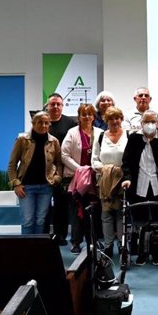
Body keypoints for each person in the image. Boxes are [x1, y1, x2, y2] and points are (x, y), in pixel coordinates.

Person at [121, 110, 158, 266]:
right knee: (141, 220)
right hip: (139, 184)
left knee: (157, 220)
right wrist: (127, 179)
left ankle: (156, 252)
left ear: (157, 122)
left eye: (153, 122)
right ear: (141, 123)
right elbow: (126, 162)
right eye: (147, 122)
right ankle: (141, 252)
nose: (150, 125)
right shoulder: (134, 138)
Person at [8, 112, 63, 234]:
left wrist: (57, 177)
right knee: (27, 220)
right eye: (39, 122)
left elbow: (59, 162)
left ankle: (38, 249)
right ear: (33, 123)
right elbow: (12, 164)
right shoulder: (22, 140)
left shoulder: (54, 141)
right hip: (26, 187)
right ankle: (27, 250)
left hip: (46, 187)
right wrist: (16, 184)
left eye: (46, 123)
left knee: (40, 220)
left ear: (49, 124)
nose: (43, 125)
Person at [61, 104, 104, 254]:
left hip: (95, 178)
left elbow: (103, 154)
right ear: (79, 117)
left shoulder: (100, 133)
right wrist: (79, 169)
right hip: (76, 178)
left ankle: (93, 241)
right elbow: (64, 155)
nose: (86, 117)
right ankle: (75, 242)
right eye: (83, 114)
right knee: (77, 211)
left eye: (89, 114)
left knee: (94, 211)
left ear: (94, 116)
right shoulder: (72, 133)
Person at [91, 106, 128, 259]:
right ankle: (108, 246)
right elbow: (94, 160)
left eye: (117, 118)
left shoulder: (128, 135)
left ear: (121, 119)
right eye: (111, 118)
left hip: (123, 181)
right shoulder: (100, 137)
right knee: (106, 215)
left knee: (121, 214)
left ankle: (121, 245)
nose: (115, 121)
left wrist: (121, 172)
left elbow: (131, 158)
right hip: (105, 182)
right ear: (106, 120)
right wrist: (109, 170)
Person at [45, 93, 76, 244]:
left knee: (61, 204)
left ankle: (61, 235)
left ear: (62, 106)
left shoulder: (70, 123)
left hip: (62, 170)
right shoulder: (42, 121)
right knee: (44, 205)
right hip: (44, 170)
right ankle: (43, 235)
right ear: (47, 106)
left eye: (58, 104)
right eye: (53, 104)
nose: (55, 107)